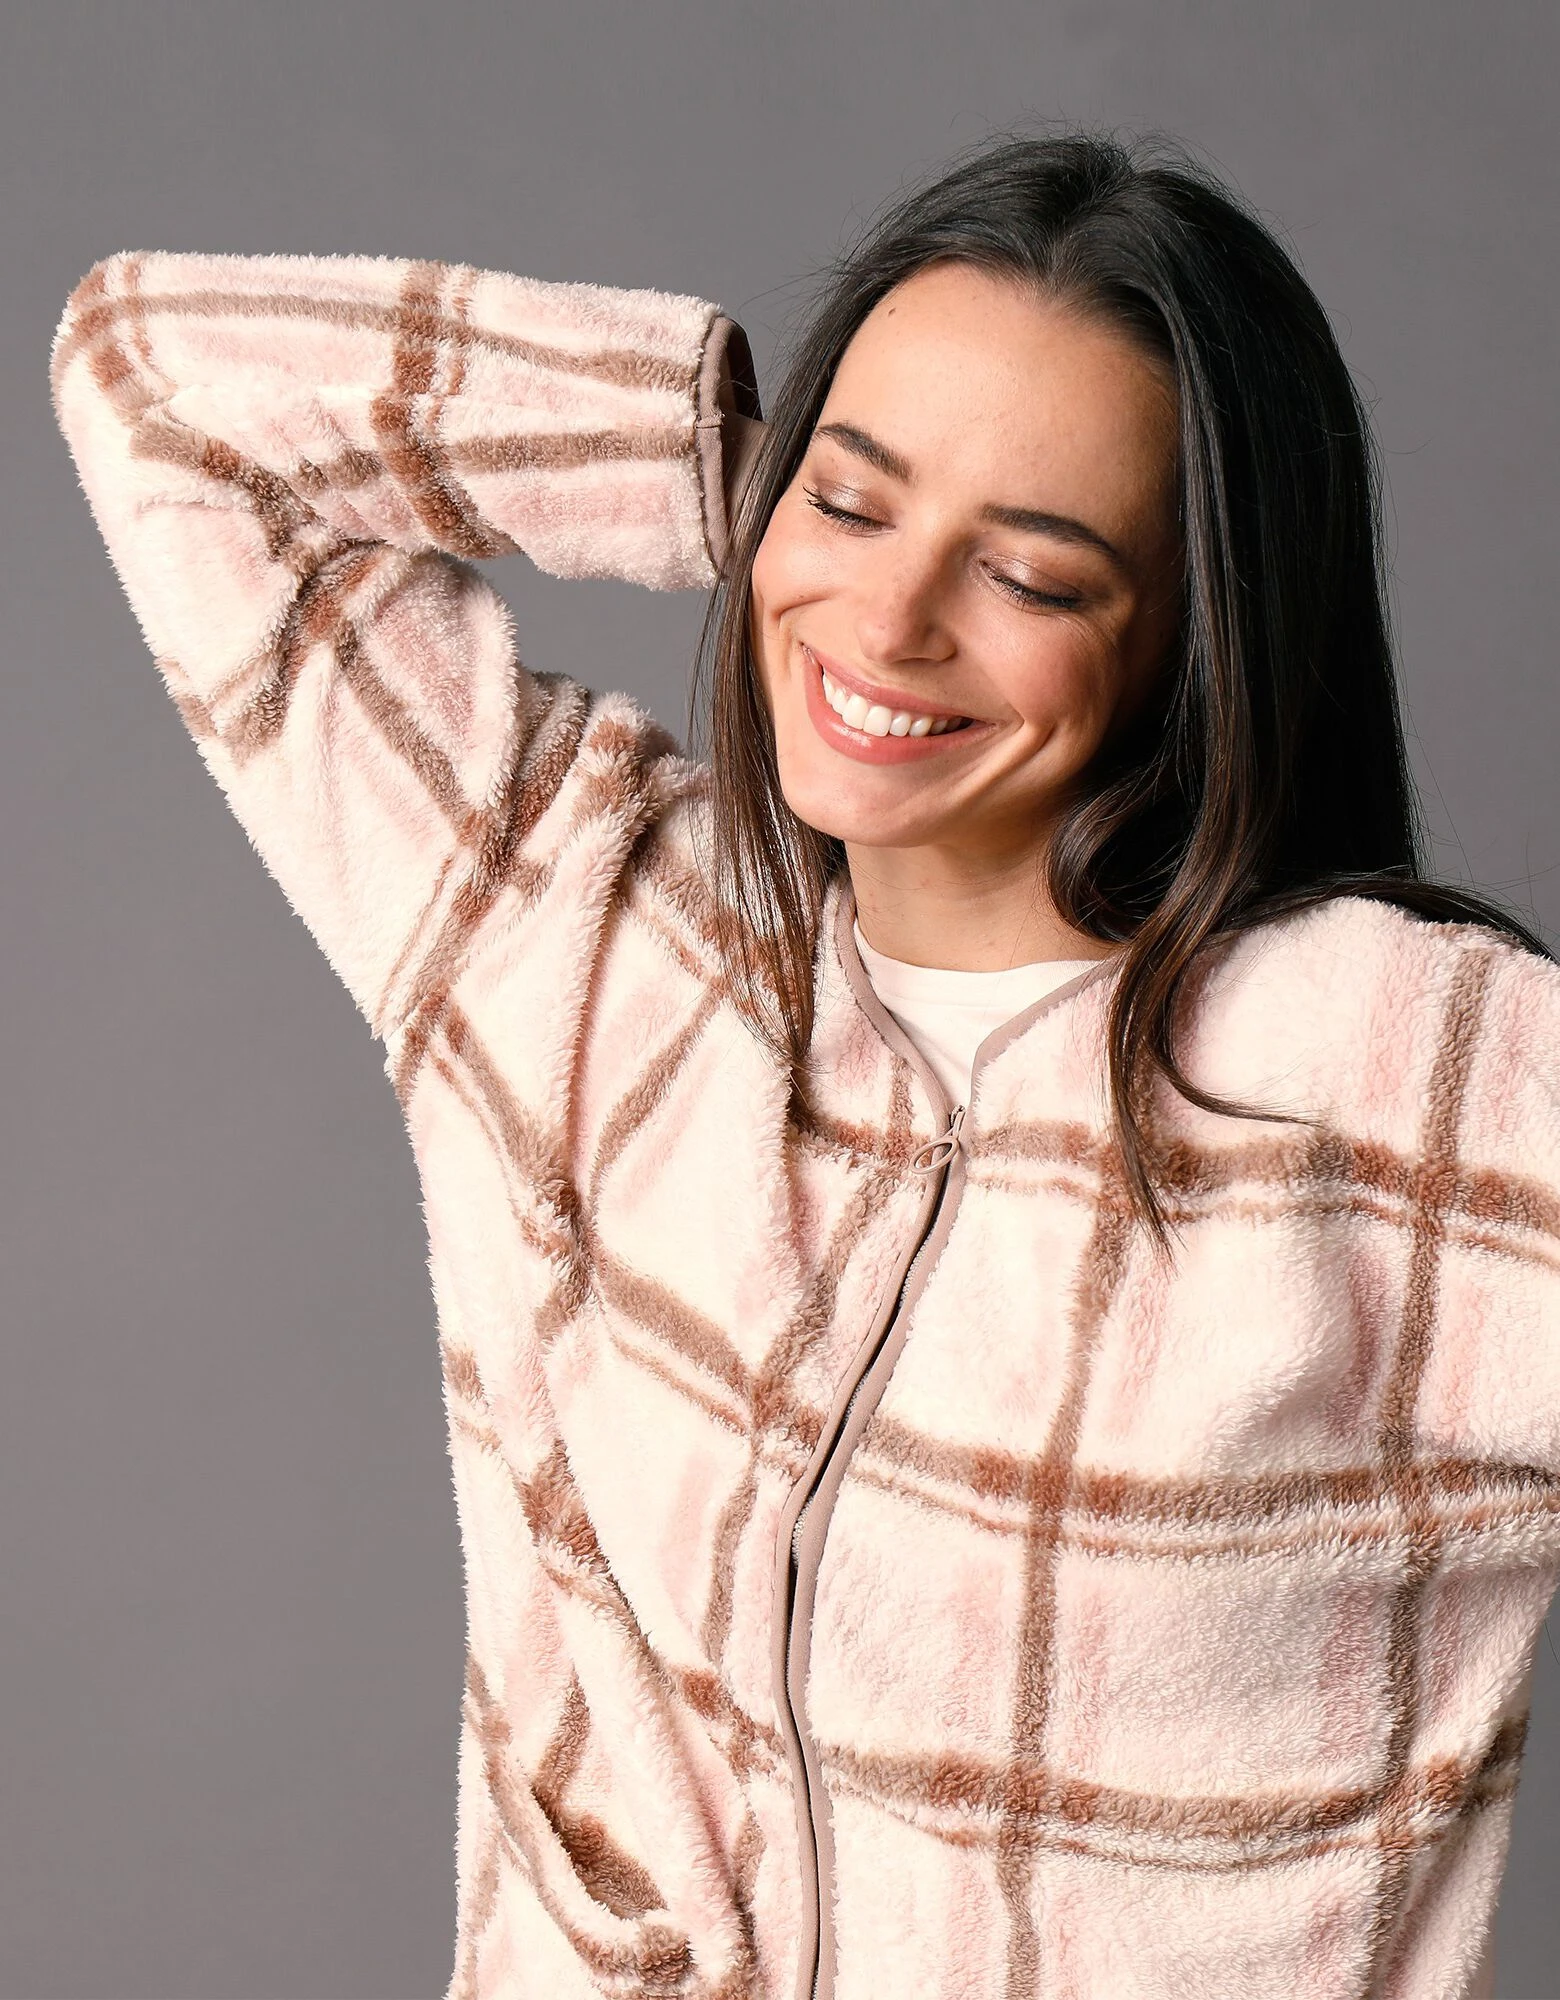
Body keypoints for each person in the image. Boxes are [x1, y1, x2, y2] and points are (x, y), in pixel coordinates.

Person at [50, 130, 1560, 2000]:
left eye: (1031, 574)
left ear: (1197, 632)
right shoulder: (573, 920)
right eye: (852, 505)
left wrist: (845, 503)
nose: (892, 624)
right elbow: (158, 385)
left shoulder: (1405, 1083)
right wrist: (714, 461)